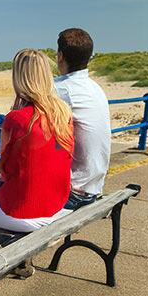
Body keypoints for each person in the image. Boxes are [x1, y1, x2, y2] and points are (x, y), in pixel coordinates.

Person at [0, 49, 74, 242]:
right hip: (56, 203)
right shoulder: (63, 113)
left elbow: (3, 167)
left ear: (19, 78)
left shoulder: (17, 118)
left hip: (23, 210)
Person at [55, 28, 111, 210]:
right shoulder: (95, 88)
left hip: (74, 192)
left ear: (60, 56)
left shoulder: (62, 89)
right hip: (94, 185)